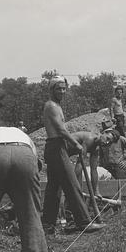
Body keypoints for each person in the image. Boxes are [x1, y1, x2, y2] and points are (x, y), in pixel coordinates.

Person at [41, 76, 105, 234]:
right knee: (72, 184)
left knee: (53, 188)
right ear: (51, 90)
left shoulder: (56, 105)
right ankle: (83, 222)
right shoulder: (51, 106)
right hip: (56, 147)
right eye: (58, 88)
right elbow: (60, 130)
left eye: (64, 88)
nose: (62, 91)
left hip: (55, 146)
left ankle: (47, 224)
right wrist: (75, 143)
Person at [68, 130, 115, 199]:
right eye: (107, 138)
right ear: (103, 133)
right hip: (61, 147)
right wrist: (73, 184)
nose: (106, 142)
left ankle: (78, 190)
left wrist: (96, 191)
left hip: (68, 153)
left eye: (109, 142)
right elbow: (80, 162)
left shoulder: (96, 148)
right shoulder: (90, 139)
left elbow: (94, 169)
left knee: (80, 172)